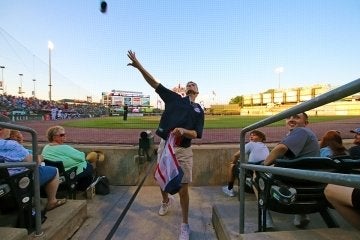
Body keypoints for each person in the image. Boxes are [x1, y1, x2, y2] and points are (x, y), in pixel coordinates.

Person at [127, 50, 204, 240]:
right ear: (185, 90)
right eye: (188, 84)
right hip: (165, 145)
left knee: (184, 188)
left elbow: (196, 134)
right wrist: (139, 67)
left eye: (193, 84)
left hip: (183, 150)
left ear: (198, 91)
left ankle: (185, 225)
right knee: (162, 179)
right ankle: (165, 201)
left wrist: (183, 131)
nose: (190, 84)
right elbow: (154, 83)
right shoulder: (174, 99)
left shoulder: (199, 110)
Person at [262, 112, 320, 228]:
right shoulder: (302, 135)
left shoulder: (301, 131)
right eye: (288, 117)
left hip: (296, 179)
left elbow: (281, 148)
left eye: (297, 117)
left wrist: (263, 165)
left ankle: (265, 216)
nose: (291, 119)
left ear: (306, 123)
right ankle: (301, 214)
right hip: (308, 180)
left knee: (257, 175)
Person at [0, 115, 66, 211]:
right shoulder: (11, 145)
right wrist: (41, 158)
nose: (10, 130)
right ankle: (52, 201)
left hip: (3, 180)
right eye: (9, 127)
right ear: (1, 128)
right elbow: (34, 162)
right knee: (54, 170)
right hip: (19, 180)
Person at [41, 126, 94, 191]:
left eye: (64, 134)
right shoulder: (64, 147)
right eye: (62, 135)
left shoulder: (46, 147)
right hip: (66, 174)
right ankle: (80, 189)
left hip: (54, 173)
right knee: (88, 166)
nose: (64, 136)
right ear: (54, 137)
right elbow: (81, 157)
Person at [222, 130, 269, 197]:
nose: (251, 136)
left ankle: (229, 189)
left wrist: (233, 162)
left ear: (261, 138)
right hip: (262, 169)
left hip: (252, 170)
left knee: (232, 165)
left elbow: (236, 155)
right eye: (251, 135)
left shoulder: (251, 144)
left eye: (254, 135)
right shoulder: (265, 146)